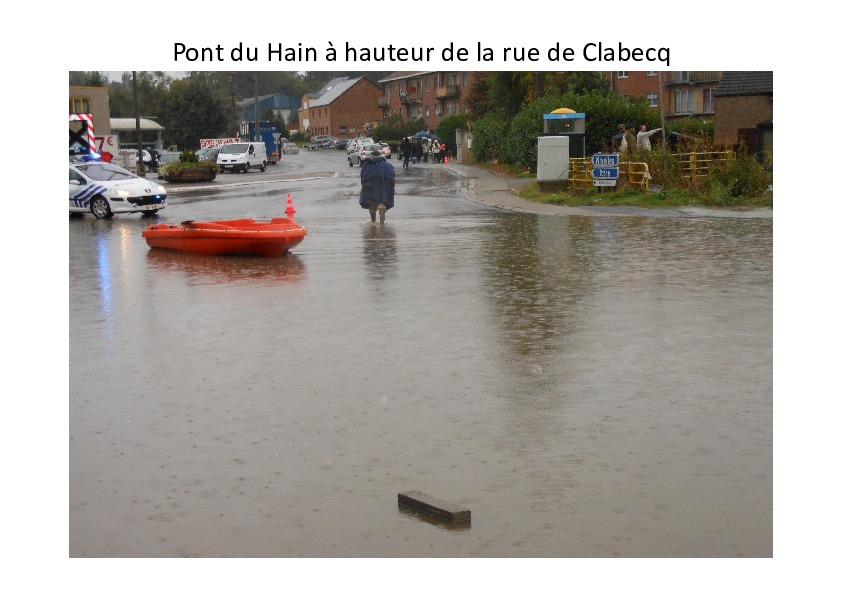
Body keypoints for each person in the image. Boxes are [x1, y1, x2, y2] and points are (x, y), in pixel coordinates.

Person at [359, 149, 395, 224]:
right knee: (381, 205)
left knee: (372, 206)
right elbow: (391, 177)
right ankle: (382, 224)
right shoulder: (386, 165)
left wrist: (365, 187)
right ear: (380, 155)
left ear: (371, 156)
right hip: (382, 189)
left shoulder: (366, 165)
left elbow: (363, 178)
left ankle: (373, 223)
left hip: (369, 189)